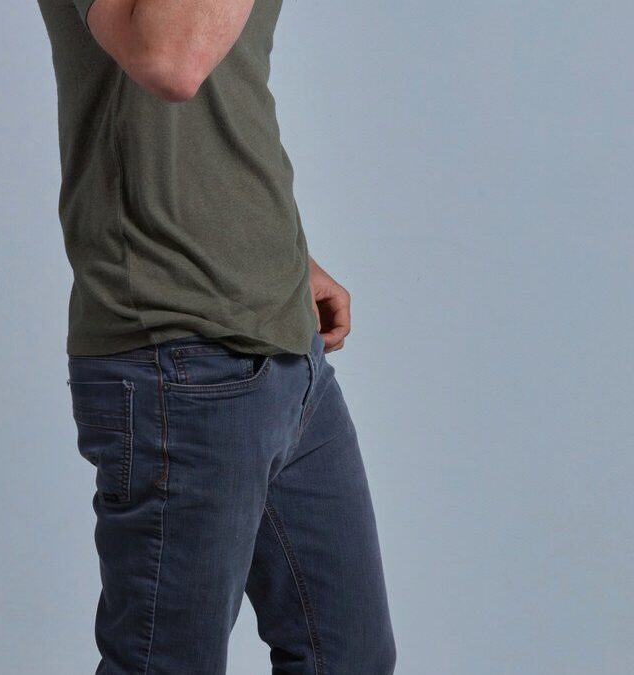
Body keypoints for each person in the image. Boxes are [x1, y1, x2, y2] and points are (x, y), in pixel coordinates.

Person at [37, 1, 396, 672]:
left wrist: (285, 257)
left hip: (284, 342)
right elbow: (170, 59)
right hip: (177, 355)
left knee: (347, 657)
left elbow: (218, 103)